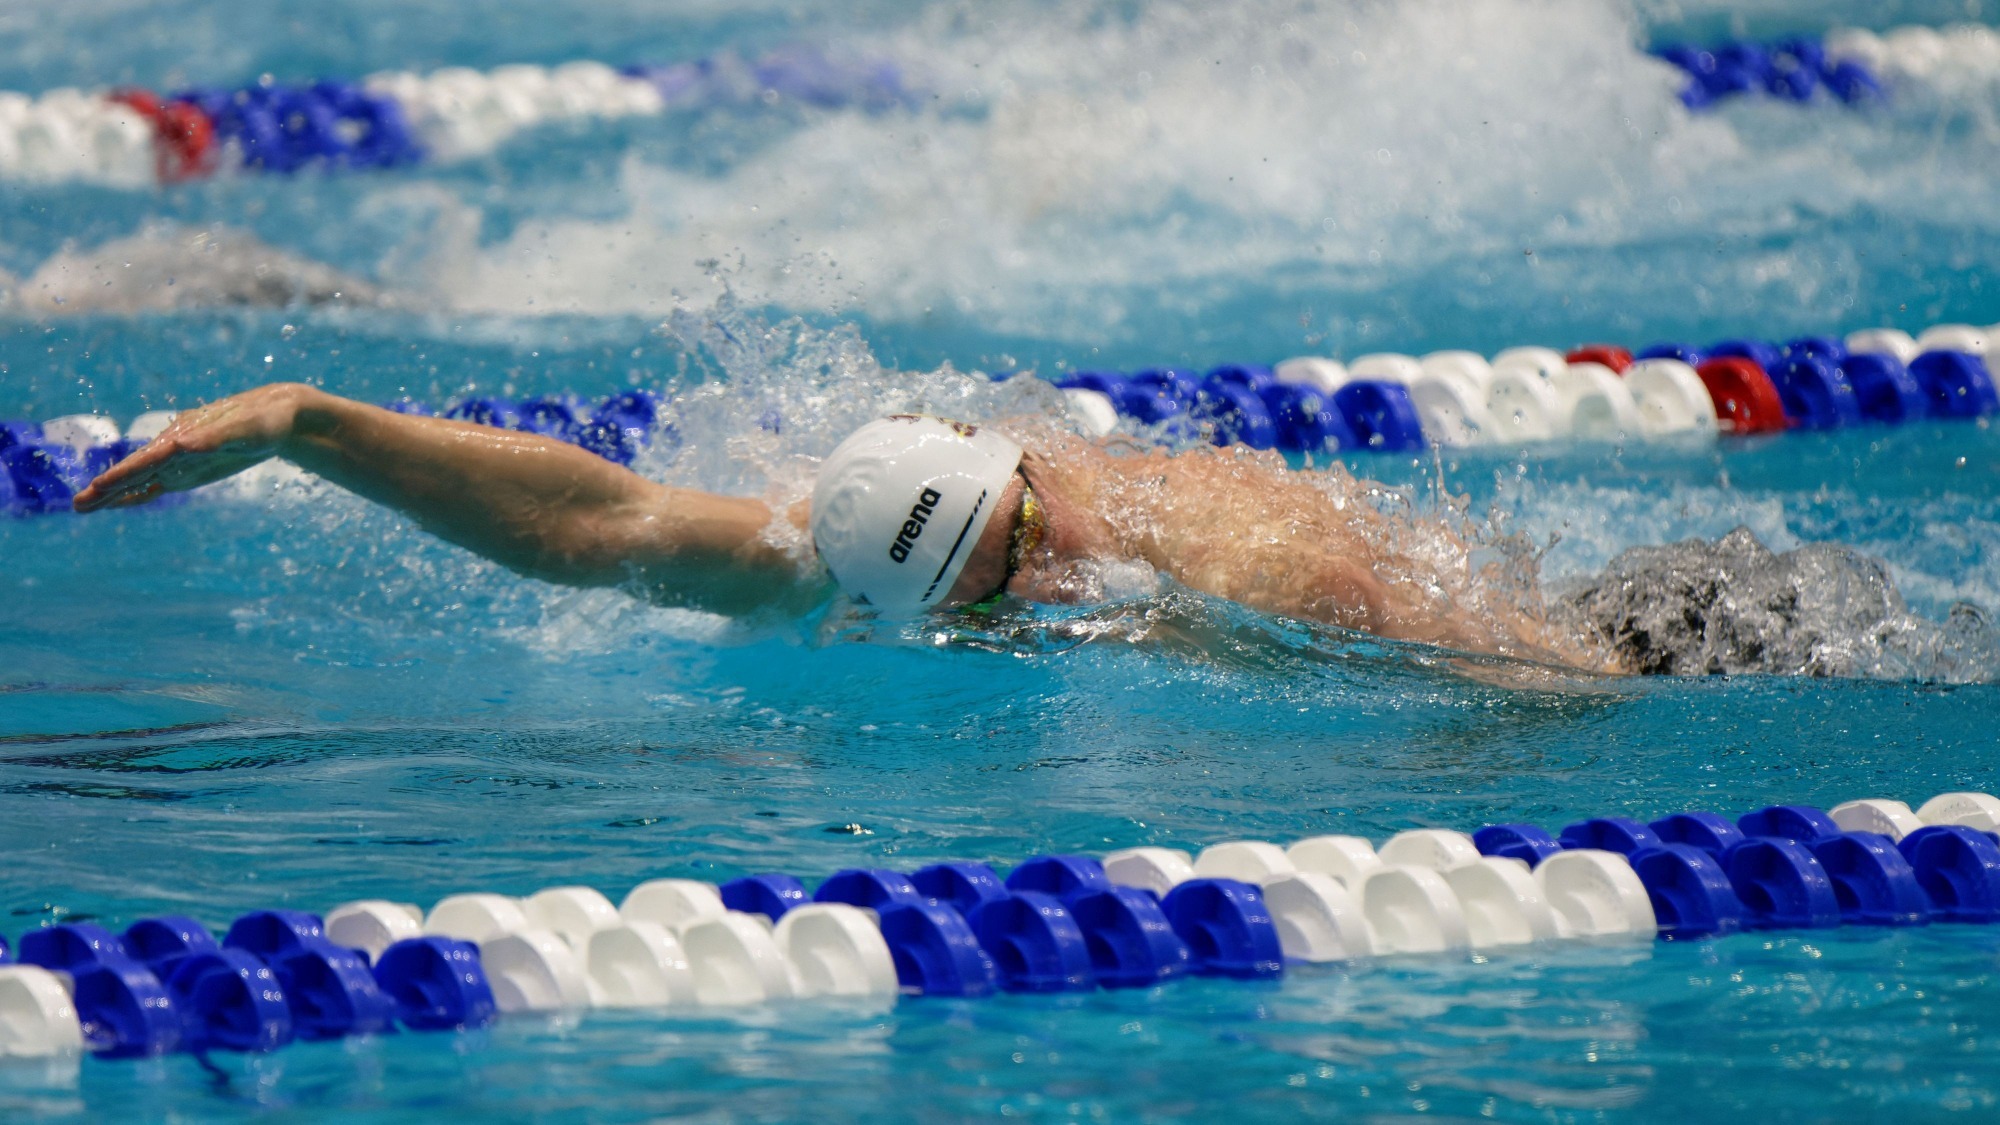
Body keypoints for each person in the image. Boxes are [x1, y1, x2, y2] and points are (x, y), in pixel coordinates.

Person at [74, 381, 1608, 670]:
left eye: (1031, 530)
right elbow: (582, 518)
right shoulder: (833, 543)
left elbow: (1530, 686)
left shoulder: (1255, 571)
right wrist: (309, 426)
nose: (1051, 573)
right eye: (1002, 584)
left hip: (1616, 624)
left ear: (1014, 464)